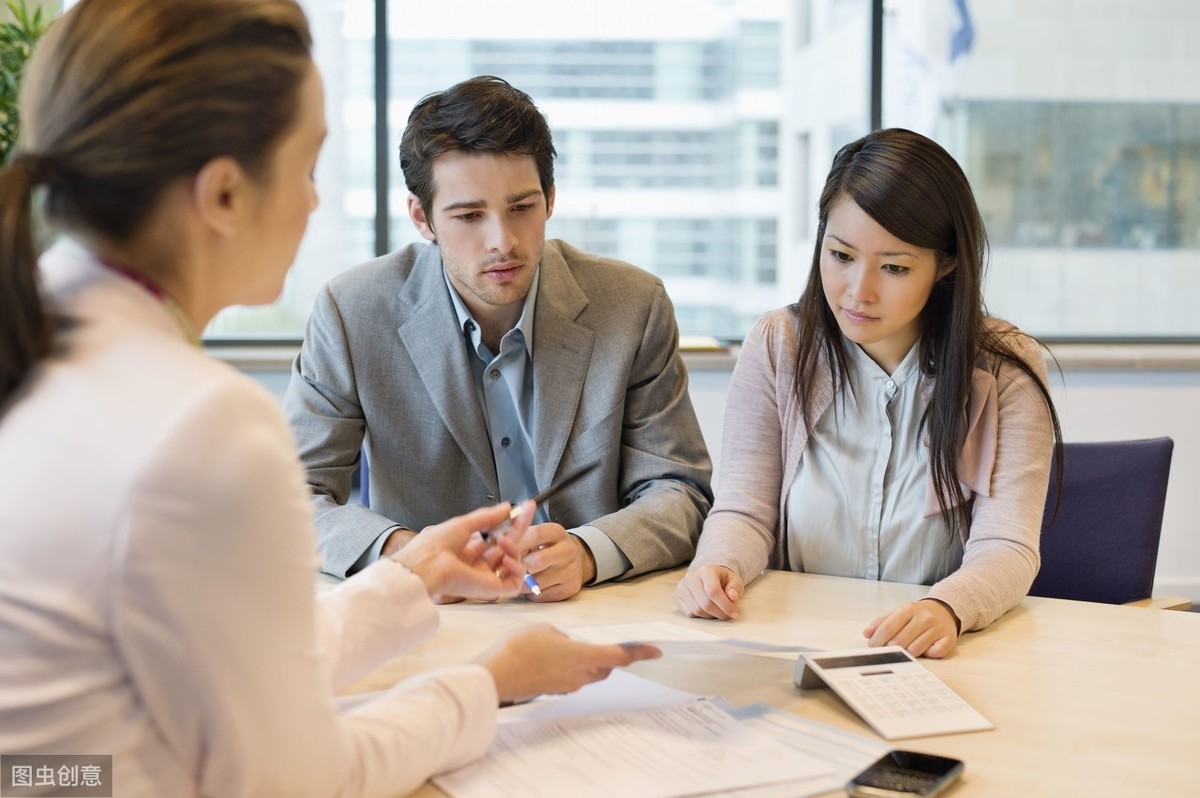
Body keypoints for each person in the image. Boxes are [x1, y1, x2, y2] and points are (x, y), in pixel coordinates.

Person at [0, 2, 658, 795]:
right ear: (223, 195)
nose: (316, 203)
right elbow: (298, 780)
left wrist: (409, 577)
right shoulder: (201, 421)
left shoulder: (50, 341)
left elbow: (201, 676)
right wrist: (492, 680)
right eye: (308, 166)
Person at [283, 75, 713, 601]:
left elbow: (680, 491)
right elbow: (290, 499)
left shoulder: (632, 305)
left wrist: (586, 553)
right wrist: (406, 553)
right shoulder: (351, 313)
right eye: (468, 216)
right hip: (429, 620)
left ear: (551, 199)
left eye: (522, 208)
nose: (502, 242)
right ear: (423, 218)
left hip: (594, 608)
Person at [675, 128, 1062, 658]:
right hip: (798, 648)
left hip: (937, 657)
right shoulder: (779, 346)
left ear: (946, 263)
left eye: (895, 267)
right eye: (841, 255)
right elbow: (745, 512)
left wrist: (947, 607)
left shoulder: (1005, 369)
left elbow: (1008, 546)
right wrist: (717, 565)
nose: (859, 291)